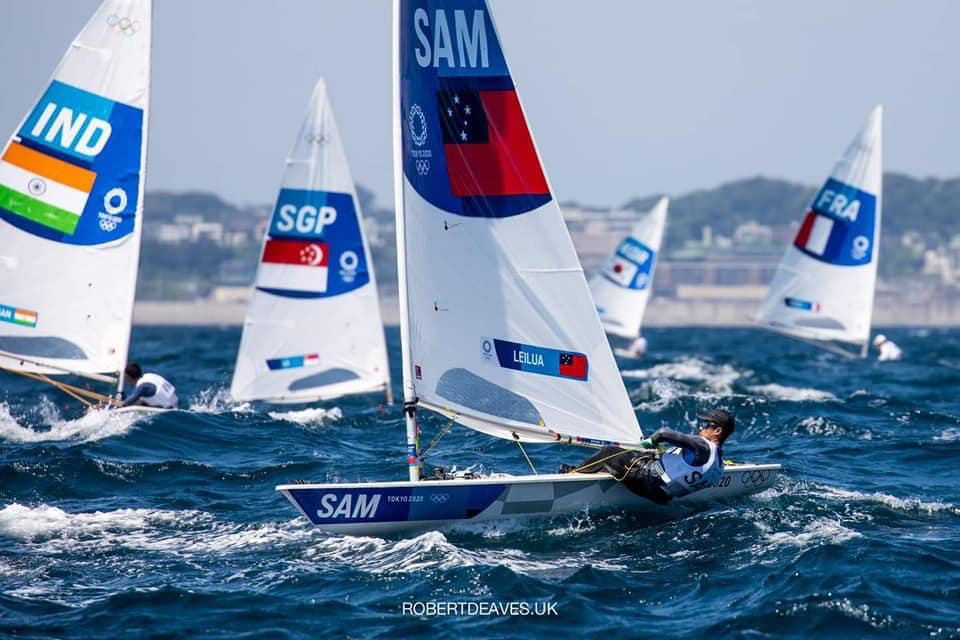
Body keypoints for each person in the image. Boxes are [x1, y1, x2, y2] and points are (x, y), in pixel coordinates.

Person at [560, 408, 734, 505]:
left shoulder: (703, 446)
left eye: (705, 425)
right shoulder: (719, 464)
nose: (700, 428)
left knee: (612, 451)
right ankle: (605, 471)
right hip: (662, 497)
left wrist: (650, 442)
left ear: (717, 431)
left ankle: (573, 474)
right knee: (643, 456)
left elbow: (664, 433)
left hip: (647, 480)